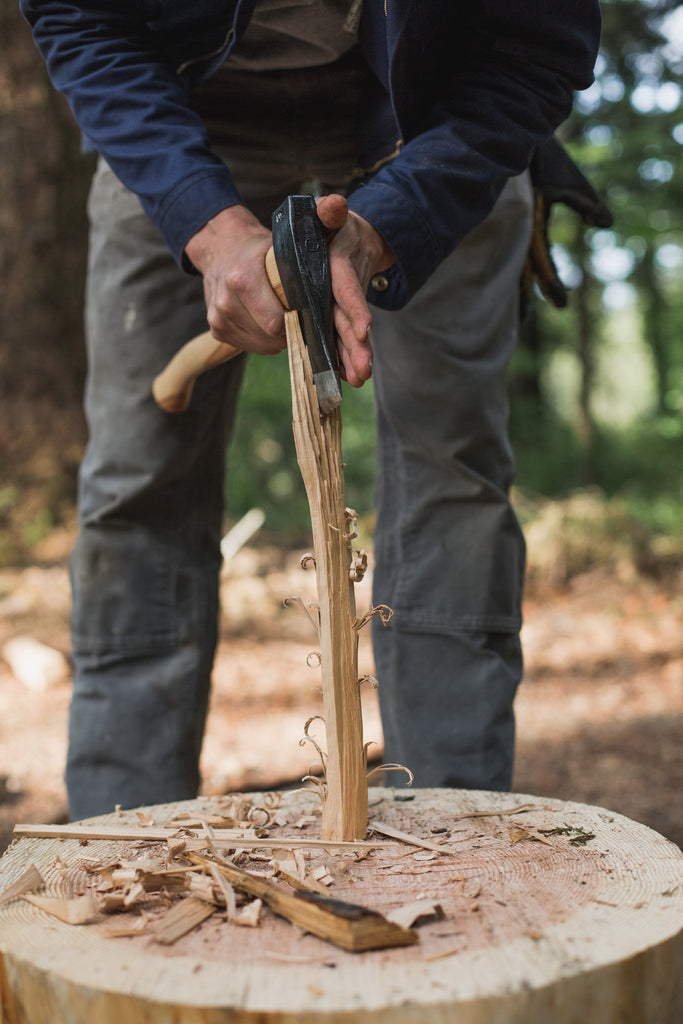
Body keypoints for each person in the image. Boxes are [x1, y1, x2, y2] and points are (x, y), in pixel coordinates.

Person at [20, 0, 602, 820]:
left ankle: (459, 826)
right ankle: (122, 833)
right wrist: (204, 223)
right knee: (136, 479)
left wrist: (389, 225)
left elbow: (541, 46)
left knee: (453, 471)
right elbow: (76, 15)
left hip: (431, 118)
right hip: (178, 107)